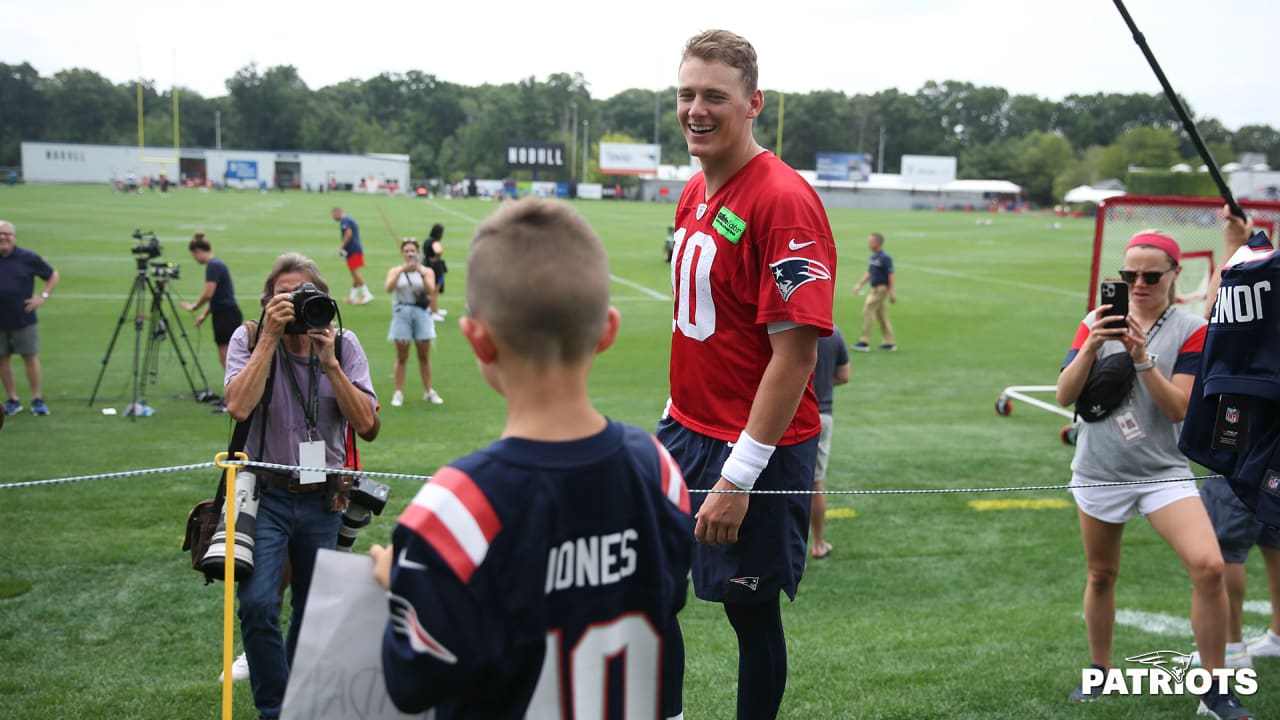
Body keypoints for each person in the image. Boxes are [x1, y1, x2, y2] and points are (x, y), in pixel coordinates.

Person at [371, 197, 694, 717]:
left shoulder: (456, 508)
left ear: (478, 341)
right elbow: (667, 595)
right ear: (608, 330)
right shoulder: (658, 469)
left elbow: (413, 682)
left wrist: (399, 589)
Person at [657, 29, 836, 720]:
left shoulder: (783, 202)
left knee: (750, 613)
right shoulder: (694, 192)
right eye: (686, 95)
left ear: (753, 103)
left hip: (754, 448)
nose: (696, 110)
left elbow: (796, 356)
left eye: (714, 97)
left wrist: (738, 477)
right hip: (684, 430)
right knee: (650, 592)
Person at [1055, 230, 1252, 718]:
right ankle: (1099, 671)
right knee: (1101, 575)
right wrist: (1091, 346)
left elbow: (1179, 408)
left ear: (1174, 275)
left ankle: (1215, 688)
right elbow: (1064, 395)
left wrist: (1142, 359)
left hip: (1162, 470)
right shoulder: (1094, 321)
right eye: (1128, 275)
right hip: (1100, 468)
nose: (1138, 284)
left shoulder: (1191, 328)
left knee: (1208, 567)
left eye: (1150, 275)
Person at [223, 252, 378, 720]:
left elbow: (368, 425)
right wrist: (269, 338)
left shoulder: (344, 344)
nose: (294, 303)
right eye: (283, 296)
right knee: (256, 604)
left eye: (304, 294)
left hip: (324, 497)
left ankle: (293, 702)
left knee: (313, 613)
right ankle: (277, 709)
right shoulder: (248, 337)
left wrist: (331, 364)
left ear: (324, 300)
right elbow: (238, 407)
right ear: (268, 301)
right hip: (263, 494)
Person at [0, 220, 59, 417]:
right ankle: (12, 399)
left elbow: (52, 275)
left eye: (7, 234)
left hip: (23, 317)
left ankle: (36, 398)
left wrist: (42, 297)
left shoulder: (27, 257)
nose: (3, 237)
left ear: (14, 237)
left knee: (29, 356)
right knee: (2, 359)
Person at [181, 231, 242, 413]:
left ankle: (233, 396)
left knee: (228, 359)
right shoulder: (217, 264)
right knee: (227, 358)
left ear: (199, 251)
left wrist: (194, 307)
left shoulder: (213, 266)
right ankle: (230, 395)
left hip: (226, 315)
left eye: (194, 255)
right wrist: (204, 315)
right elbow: (215, 297)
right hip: (224, 313)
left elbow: (209, 292)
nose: (195, 259)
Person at [384, 238, 442, 407]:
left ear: (418, 252)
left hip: (421, 314)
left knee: (424, 356)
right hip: (402, 313)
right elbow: (388, 288)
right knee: (402, 356)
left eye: (412, 250)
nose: (410, 253)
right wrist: (402, 270)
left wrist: (420, 272)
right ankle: (399, 392)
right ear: (402, 253)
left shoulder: (427, 270)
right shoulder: (395, 270)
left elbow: (430, 290)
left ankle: (429, 391)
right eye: (406, 251)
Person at [810, 325, 850, 560]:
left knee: (787, 486)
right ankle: (818, 544)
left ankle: (792, 554)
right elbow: (844, 375)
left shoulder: (787, 326)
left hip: (789, 412)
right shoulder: (834, 333)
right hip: (822, 414)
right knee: (815, 483)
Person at [851, 232, 896, 351]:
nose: (869, 243)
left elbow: (891, 274)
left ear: (878, 243)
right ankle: (889, 342)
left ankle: (864, 341)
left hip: (881, 289)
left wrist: (891, 291)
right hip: (874, 288)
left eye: (871, 241)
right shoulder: (873, 257)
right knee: (882, 315)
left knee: (868, 310)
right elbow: (869, 273)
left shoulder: (885, 257)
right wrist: (859, 284)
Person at [330, 207, 373, 305]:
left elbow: (348, 234)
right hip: (355, 249)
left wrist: (341, 247)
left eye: (333, 214)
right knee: (354, 273)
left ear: (338, 212)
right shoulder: (349, 219)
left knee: (354, 272)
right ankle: (352, 297)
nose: (333, 217)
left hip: (353, 250)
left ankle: (367, 294)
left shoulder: (345, 220)